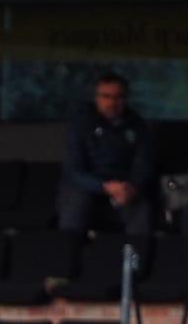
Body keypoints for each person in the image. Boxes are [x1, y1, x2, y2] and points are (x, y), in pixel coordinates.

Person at [58, 72, 158, 267]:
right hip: (90, 186)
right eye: (106, 96)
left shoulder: (136, 125)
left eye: (118, 97)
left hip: (124, 187)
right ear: (96, 98)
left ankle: (135, 272)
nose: (112, 102)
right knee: (75, 204)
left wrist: (132, 187)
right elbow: (74, 170)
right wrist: (104, 186)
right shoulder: (81, 124)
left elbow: (144, 165)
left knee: (141, 208)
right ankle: (67, 271)